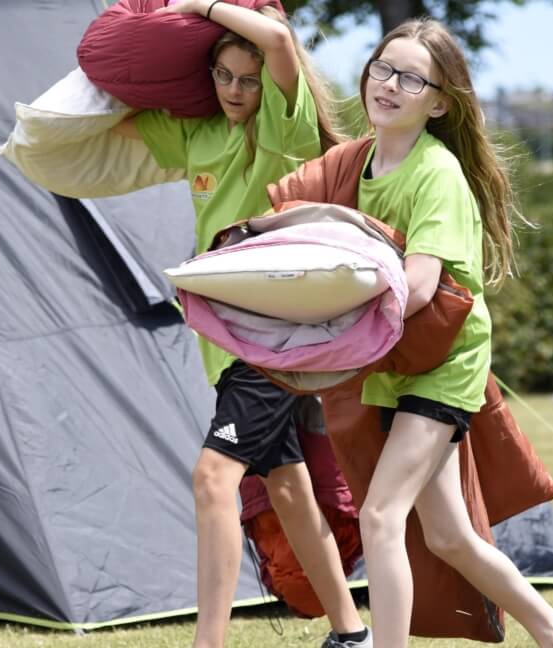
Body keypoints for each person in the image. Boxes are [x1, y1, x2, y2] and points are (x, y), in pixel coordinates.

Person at [111, 2, 370, 647]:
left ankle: (209, 643)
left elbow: (279, 37)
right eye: (223, 75)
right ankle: (351, 633)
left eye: (248, 79)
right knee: (287, 486)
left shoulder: (284, 131)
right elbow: (119, 104)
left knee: (211, 477)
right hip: (225, 346)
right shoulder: (197, 135)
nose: (235, 91)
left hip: (271, 342)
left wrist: (197, 6)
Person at [345, 19, 553, 648]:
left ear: (439, 102)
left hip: (443, 361)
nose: (390, 85)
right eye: (382, 68)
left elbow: (420, 286)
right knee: (449, 535)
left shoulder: (437, 174)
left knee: (379, 516)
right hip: (399, 362)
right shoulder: (365, 162)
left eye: (411, 78)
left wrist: (333, 313)